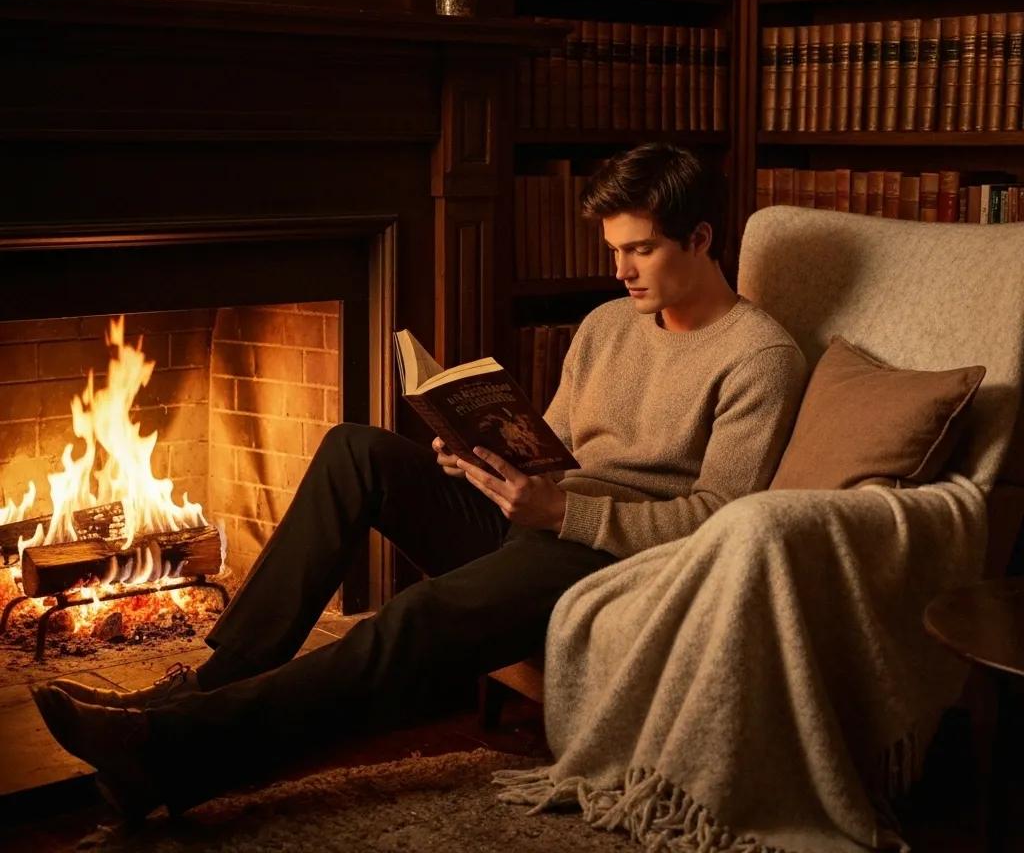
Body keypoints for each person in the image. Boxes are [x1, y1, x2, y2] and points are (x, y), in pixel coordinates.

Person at [32, 143, 807, 820]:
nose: (619, 270)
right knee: (355, 450)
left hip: (612, 555)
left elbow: (722, 517)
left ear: (701, 239)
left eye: (640, 250)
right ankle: (204, 686)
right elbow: (559, 446)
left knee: (415, 614)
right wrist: (480, 459)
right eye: (612, 249)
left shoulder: (759, 357)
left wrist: (565, 513)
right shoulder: (609, 325)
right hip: (541, 512)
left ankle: (165, 752)